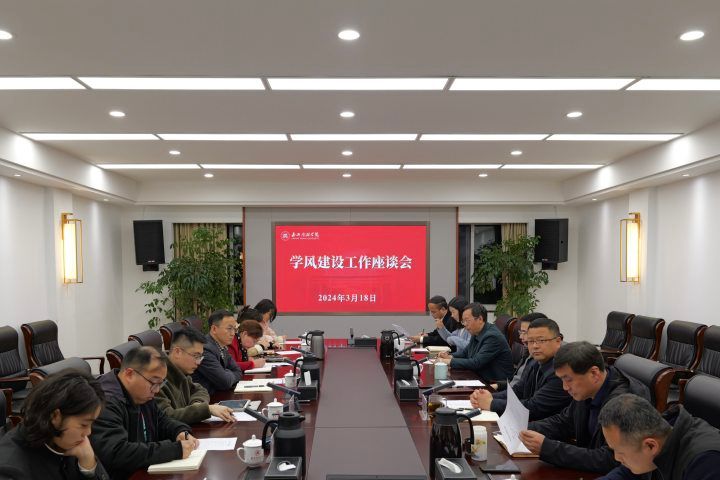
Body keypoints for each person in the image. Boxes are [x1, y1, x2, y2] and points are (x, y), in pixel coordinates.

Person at [518, 341, 647, 474]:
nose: (565, 387)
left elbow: (610, 460)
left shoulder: (624, 405)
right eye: (562, 380)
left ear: (594, 373)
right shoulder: (588, 389)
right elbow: (565, 422)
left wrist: (547, 448)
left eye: (568, 379)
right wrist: (521, 428)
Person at [90, 346, 198, 480]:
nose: (157, 390)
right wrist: (174, 450)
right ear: (129, 374)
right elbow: (117, 452)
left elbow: (160, 420)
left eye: (160, 384)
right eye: (154, 382)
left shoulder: (141, 393)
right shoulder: (105, 402)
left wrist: (179, 431)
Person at [0, 371, 109, 479]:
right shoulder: (11, 471)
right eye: (84, 425)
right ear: (55, 416)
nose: (88, 432)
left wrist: (89, 465)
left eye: (91, 424)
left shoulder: (70, 441)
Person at [598, 394, 720, 480]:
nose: (616, 458)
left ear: (650, 446)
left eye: (620, 452)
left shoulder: (707, 463)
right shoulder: (658, 433)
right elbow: (626, 473)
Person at [469, 317, 571, 421]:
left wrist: (492, 403)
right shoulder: (534, 361)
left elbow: (534, 408)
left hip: (544, 425)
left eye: (541, 340)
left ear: (558, 341)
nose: (535, 346)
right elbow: (517, 391)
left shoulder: (562, 371)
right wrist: (488, 396)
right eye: (531, 341)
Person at [156, 327, 236, 424]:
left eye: (200, 357)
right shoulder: (157, 380)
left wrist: (197, 405)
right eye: (196, 356)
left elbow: (200, 390)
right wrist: (207, 409)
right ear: (177, 352)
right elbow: (166, 418)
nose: (198, 362)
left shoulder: (181, 372)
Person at [436, 303, 513, 381]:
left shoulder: (492, 337)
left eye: (467, 320)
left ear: (480, 319)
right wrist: (449, 356)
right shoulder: (476, 332)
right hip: (478, 376)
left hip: (494, 383)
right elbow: (465, 353)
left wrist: (447, 361)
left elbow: (476, 363)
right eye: (463, 321)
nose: (465, 324)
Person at [492, 312, 548, 392]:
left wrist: (493, 398)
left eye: (525, 332)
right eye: (520, 332)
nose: (520, 337)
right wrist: (498, 385)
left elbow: (523, 391)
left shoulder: (540, 358)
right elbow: (517, 382)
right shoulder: (527, 351)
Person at [192, 309, 244, 395]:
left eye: (234, 329)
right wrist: (227, 373)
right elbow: (225, 382)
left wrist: (225, 373)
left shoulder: (221, 345)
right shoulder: (205, 349)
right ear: (214, 329)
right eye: (229, 329)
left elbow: (238, 371)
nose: (233, 333)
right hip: (207, 399)